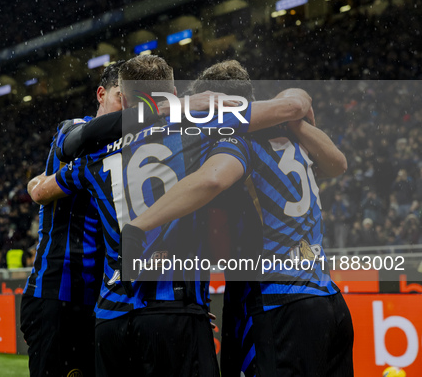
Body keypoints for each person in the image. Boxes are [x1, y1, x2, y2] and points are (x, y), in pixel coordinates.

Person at [28, 55, 315, 377]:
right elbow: (289, 109)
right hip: (176, 310)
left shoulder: (96, 152)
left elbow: (41, 190)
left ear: (124, 97)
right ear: (175, 91)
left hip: (111, 314)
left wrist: (37, 182)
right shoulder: (201, 128)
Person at [125, 60, 353, 376]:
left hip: (278, 305)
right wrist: (295, 117)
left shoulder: (236, 140)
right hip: (328, 300)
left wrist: (140, 225)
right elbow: (339, 164)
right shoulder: (290, 132)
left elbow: (212, 180)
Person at [20, 61, 123, 377]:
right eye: (123, 98)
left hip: (101, 301)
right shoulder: (73, 127)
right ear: (101, 94)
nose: (130, 109)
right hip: (57, 295)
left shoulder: (131, 151)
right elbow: (73, 143)